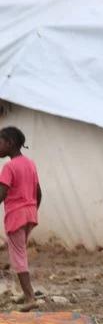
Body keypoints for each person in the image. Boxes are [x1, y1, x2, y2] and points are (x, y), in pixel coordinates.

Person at [0, 127, 41, 311]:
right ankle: (26, 294)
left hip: (16, 215)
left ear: (9, 143)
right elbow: (39, 192)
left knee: (18, 257)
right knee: (20, 253)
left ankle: (30, 297)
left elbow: (2, 193)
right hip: (30, 214)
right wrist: (31, 210)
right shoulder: (30, 163)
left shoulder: (9, 167)